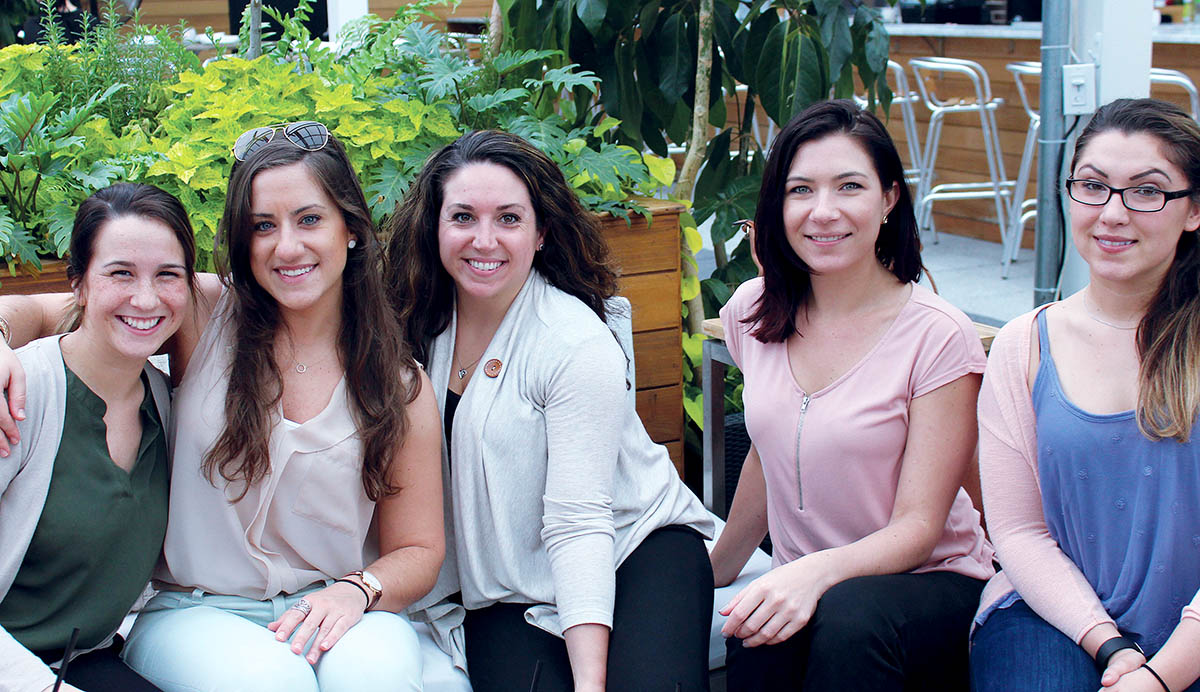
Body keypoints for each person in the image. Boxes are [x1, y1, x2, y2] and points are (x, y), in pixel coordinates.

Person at [0, 122, 443, 692]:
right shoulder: (204, 310)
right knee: (271, 684)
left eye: (309, 219)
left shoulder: (397, 383)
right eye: (263, 226)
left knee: (377, 678)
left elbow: (419, 548)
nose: (287, 246)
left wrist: (358, 590)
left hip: (335, 603)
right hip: (197, 610)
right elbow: (56, 308)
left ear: (351, 228)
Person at [385, 129, 715, 692]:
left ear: (540, 234)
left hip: (633, 548)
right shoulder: (413, 324)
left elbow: (579, 520)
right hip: (509, 583)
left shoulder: (572, 342)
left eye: (509, 219)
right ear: (433, 227)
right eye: (462, 217)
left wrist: (590, 683)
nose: (484, 239)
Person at [707, 99, 995, 691]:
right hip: (816, 582)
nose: (823, 211)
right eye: (801, 190)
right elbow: (769, 449)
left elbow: (920, 526)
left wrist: (813, 574)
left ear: (888, 199)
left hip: (930, 582)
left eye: (849, 186)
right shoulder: (751, 312)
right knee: (753, 630)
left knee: (847, 619)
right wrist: (716, 572)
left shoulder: (938, 335)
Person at [971, 98, 1200, 692]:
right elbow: (1019, 532)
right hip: (1054, 612)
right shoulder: (1024, 344)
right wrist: (1109, 643)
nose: (1113, 213)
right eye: (1093, 186)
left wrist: (1159, 677)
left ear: (1194, 209)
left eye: (1147, 191)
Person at [0, 182, 192, 692]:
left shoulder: (164, 401)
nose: (146, 298)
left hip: (83, 659)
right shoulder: (18, 394)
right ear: (79, 284)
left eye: (167, 274)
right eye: (120, 273)